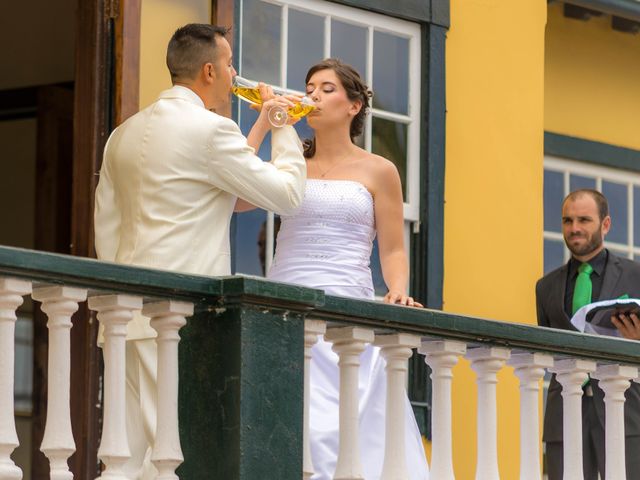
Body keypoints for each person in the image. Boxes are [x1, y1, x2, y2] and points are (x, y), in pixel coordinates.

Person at [93, 24, 306, 479]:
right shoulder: (211, 130)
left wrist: (260, 126)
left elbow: (106, 228)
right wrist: (283, 126)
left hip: (120, 317)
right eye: (230, 64)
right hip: (177, 318)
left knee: (123, 456)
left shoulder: (122, 135)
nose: (234, 75)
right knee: (171, 453)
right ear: (209, 70)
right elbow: (287, 194)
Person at [265, 59, 429, 479]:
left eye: (326, 88)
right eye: (309, 88)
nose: (313, 96)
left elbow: (393, 248)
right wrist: (266, 125)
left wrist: (396, 288)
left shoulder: (379, 170)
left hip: (347, 306)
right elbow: (233, 197)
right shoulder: (288, 163)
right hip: (286, 303)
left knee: (349, 436)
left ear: (354, 105)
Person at [536, 189, 640, 479]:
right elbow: (546, 355)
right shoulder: (545, 288)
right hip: (563, 414)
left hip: (625, 412)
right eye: (567, 221)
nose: (575, 228)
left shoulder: (636, 276)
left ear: (605, 225)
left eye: (584, 219)